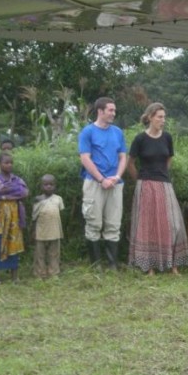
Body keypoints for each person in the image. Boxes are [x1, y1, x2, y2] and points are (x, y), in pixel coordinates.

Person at [128, 102, 188, 275]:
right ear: (150, 118)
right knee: (148, 225)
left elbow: (169, 158)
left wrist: (162, 173)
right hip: (145, 184)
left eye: (164, 117)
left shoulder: (167, 137)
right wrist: (139, 180)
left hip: (164, 184)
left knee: (172, 223)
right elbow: (130, 163)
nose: (163, 120)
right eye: (159, 117)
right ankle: (149, 267)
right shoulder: (140, 139)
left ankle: (173, 265)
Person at [78, 96, 127, 268]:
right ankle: (96, 264)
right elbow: (85, 158)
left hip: (115, 184)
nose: (114, 113)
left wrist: (117, 176)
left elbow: (123, 157)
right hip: (94, 183)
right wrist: (101, 179)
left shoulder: (118, 132)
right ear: (100, 111)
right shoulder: (88, 132)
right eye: (110, 110)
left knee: (114, 224)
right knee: (93, 223)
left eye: (114, 110)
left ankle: (112, 264)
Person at [0, 152, 28, 284]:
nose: (9, 165)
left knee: (14, 242)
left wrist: (6, 194)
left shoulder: (17, 179)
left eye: (11, 162)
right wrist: (13, 193)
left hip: (15, 216)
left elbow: (25, 192)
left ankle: (14, 276)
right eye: (6, 162)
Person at [32, 174, 64, 278]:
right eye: (46, 184)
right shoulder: (38, 200)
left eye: (51, 184)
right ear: (41, 186)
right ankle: (40, 273)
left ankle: (54, 272)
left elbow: (59, 214)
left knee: (54, 253)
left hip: (55, 232)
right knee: (39, 254)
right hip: (41, 232)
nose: (49, 186)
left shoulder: (58, 199)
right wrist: (33, 231)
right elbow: (34, 218)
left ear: (55, 186)